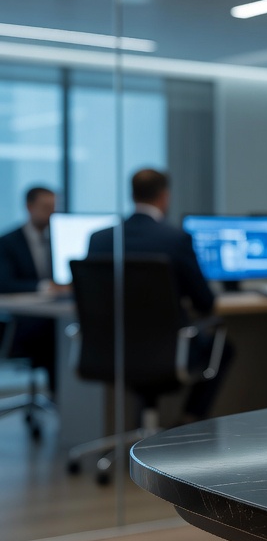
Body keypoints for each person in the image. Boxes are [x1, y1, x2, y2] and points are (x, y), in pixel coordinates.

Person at [87, 169, 231, 422]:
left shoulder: (99, 239)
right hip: (168, 352)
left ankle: (144, 426)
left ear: (132, 195)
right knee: (223, 347)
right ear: (165, 196)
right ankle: (189, 420)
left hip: (110, 352)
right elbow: (205, 302)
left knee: (144, 348)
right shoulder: (175, 239)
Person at [0, 186, 62, 390]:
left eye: (54, 207)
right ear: (29, 207)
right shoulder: (8, 242)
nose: (51, 213)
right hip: (23, 323)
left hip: (54, 318)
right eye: (46, 207)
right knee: (56, 339)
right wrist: (45, 287)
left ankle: (66, 402)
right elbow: (5, 283)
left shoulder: (59, 239)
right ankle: (59, 399)